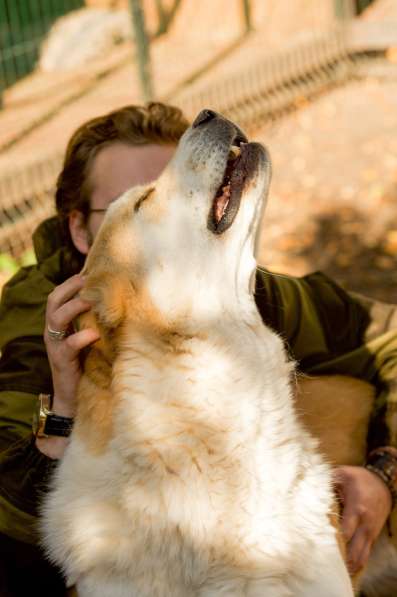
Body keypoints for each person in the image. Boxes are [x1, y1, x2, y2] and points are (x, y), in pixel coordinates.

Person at [0, 101, 396, 595]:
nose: (189, 186)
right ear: (80, 229)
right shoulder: (39, 320)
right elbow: (13, 529)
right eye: (141, 201)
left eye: (172, 176)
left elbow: (386, 332)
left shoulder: (247, 286)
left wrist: (386, 473)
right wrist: (63, 404)